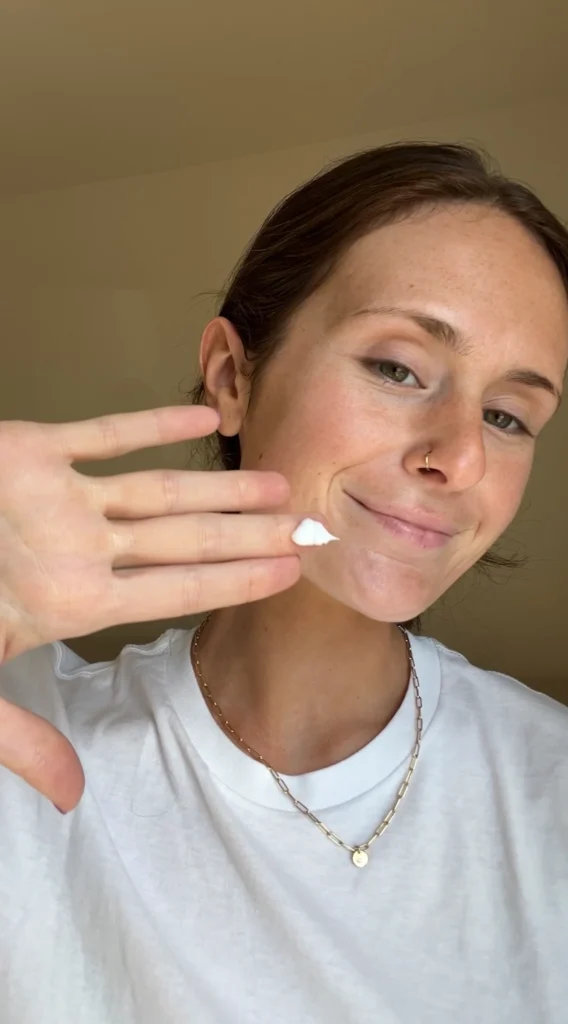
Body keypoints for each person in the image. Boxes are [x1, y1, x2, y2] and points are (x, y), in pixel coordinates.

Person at [0, 142, 567, 1024]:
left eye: (507, 416)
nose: (459, 457)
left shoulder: (550, 789)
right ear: (234, 377)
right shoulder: (25, 745)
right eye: (398, 367)